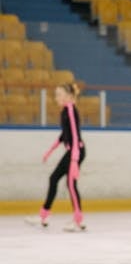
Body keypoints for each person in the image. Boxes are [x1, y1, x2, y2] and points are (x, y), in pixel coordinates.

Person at [25, 82, 87, 232]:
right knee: (55, 179)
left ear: (69, 97)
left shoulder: (71, 110)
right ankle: (44, 215)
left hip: (76, 152)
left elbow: (75, 134)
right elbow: (64, 135)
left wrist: (73, 160)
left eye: (59, 94)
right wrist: (50, 151)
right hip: (73, 151)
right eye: (56, 94)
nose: (56, 98)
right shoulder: (65, 111)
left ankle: (77, 219)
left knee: (71, 184)